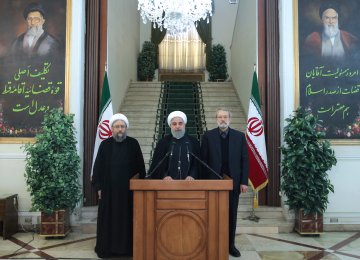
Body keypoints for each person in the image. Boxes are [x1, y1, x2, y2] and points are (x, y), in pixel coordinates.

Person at [91, 113, 146, 258]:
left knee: (127, 221)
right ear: (112, 129)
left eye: (122, 126)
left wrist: (137, 184)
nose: (119, 129)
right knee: (109, 221)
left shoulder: (133, 144)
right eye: (117, 127)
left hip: (128, 193)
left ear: (126, 128)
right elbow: (97, 168)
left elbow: (141, 168)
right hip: (109, 193)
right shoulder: (105, 145)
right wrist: (98, 187)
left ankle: (127, 250)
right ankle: (107, 250)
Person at [200, 108, 249, 258]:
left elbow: (245, 160)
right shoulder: (208, 136)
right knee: (212, 214)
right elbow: (203, 160)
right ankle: (212, 243)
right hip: (213, 183)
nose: (222, 119)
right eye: (220, 117)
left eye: (225, 117)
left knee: (231, 215)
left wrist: (243, 181)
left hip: (233, 183)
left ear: (230, 119)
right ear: (216, 119)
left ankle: (230, 245)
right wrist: (203, 182)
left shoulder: (240, 137)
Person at [147, 110, 200, 180]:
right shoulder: (163, 142)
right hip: (167, 186)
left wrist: (192, 175)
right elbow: (158, 165)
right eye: (174, 124)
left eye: (180, 123)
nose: (177, 126)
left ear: (184, 125)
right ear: (170, 126)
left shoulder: (193, 142)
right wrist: (164, 176)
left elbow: (197, 165)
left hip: (190, 185)